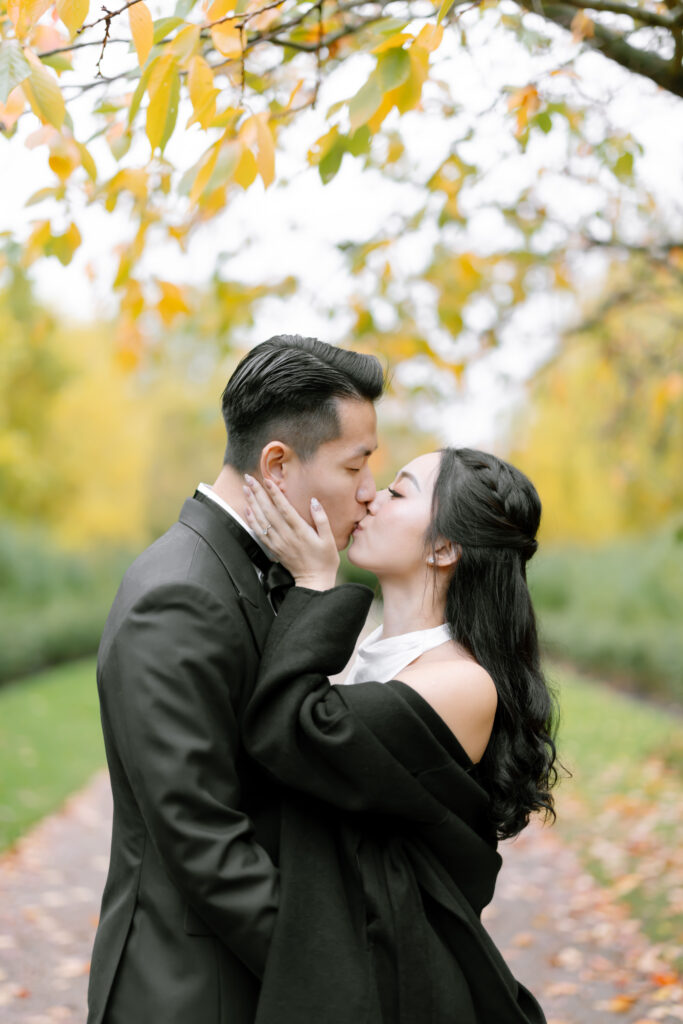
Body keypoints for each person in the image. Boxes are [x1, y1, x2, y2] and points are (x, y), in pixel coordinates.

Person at [87, 335, 384, 1024]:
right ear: (277, 464)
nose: (369, 493)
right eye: (355, 466)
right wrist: (335, 972)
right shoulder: (180, 595)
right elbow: (202, 837)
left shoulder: (248, 569)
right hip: (192, 988)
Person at [240, 447, 559, 1023]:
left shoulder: (463, 683)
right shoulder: (374, 650)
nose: (370, 495)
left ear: (443, 548)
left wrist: (315, 585)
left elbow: (295, 732)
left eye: (399, 491)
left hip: (407, 986)